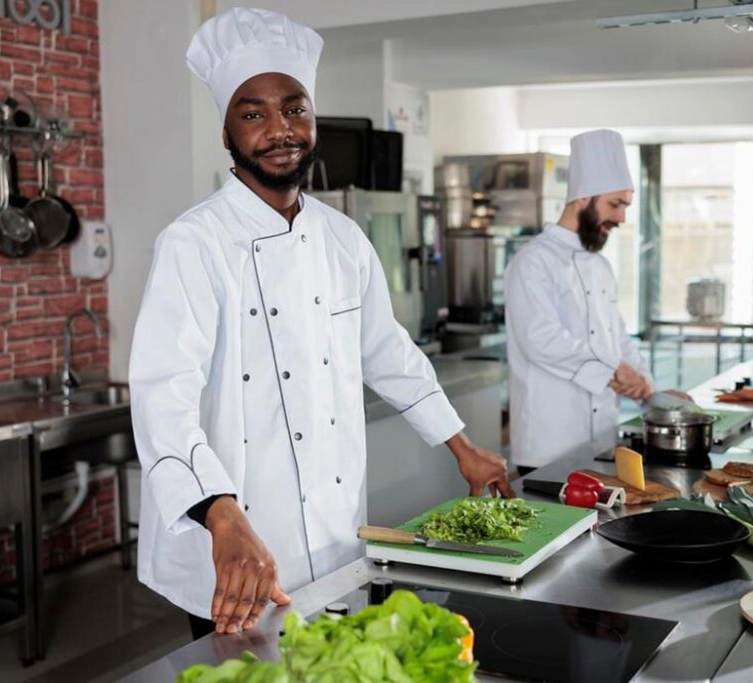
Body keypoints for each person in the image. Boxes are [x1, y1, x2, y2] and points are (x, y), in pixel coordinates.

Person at [128, 7, 512, 640]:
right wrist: (222, 515)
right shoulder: (193, 243)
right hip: (234, 543)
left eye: (294, 109)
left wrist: (462, 447)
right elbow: (162, 394)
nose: (280, 129)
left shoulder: (343, 238)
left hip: (336, 532)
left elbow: (389, 352)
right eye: (253, 114)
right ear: (227, 135)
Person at [504, 129, 655, 475]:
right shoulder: (533, 261)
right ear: (582, 199)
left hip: (602, 439)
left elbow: (616, 338)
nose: (622, 218)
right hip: (549, 444)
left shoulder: (600, 266)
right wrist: (614, 371)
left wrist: (645, 383)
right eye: (615, 204)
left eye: (625, 206)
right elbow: (541, 339)